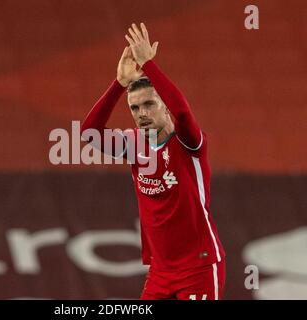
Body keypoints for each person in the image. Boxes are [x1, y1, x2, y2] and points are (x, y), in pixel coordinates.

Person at [81, 23, 226, 300]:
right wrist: (119, 84)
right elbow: (89, 133)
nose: (141, 113)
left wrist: (149, 64)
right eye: (135, 108)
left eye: (149, 104)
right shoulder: (134, 144)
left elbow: (183, 111)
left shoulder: (189, 142)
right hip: (161, 272)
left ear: (164, 106)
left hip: (200, 267)